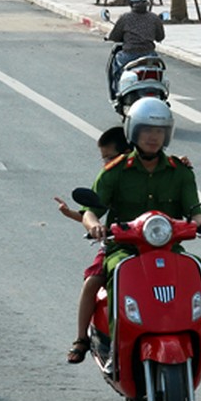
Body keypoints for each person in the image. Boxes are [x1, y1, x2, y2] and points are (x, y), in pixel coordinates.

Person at [79, 98, 201, 350]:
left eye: (159, 131)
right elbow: (91, 211)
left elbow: (194, 210)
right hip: (124, 248)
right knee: (115, 273)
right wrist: (94, 226)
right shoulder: (115, 171)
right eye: (146, 130)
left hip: (168, 246)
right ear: (133, 131)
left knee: (198, 266)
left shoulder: (181, 171)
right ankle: (111, 339)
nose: (153, 137)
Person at [57, 127, 130, 364]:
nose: (107, 163)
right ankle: (81, 339)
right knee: (92, 283)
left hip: (158, 246)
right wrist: (76, 216)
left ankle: (200, 324)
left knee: (191, 271)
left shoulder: (165, 170)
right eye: (105, 158)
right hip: (119, 246)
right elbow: (94, 215)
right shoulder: (111, 177)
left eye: (110, 157)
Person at [106, 0, 165, 98]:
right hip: (150, 55)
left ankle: (117, 91)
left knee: (116, 68)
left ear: (130, 1)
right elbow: (160, 36)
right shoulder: (154, 18)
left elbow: (115, 36)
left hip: (128, 55)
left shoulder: (125, 18)